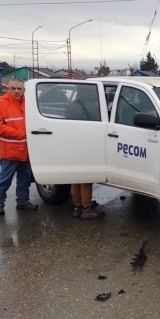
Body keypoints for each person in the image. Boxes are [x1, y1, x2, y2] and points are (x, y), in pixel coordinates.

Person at [0, 78, 37, 215]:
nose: (16, 91)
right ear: (8, 89)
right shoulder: (1, 103)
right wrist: (18, 134)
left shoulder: (29, 103)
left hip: (26, 150)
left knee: (25, 178)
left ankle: (22, 202)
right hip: (9, 151)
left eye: (19, 89)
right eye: (13, 88)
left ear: (24, 90)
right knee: (4, 179)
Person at [65, 86, 105, 220]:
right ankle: (87, 209)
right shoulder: (91, 107)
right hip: (86, 146)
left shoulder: (70, 106)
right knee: (86, 179)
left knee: (75, 177)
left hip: (72, 145)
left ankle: (77, 206)